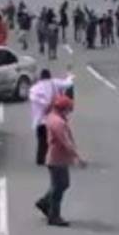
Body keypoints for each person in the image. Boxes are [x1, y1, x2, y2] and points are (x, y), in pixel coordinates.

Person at [35, 95, 84, 226]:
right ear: (63, 108)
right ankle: (54, 216)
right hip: (57, 160)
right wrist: (77, 157)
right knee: (58, 187)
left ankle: (45, 203)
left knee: (61, 184)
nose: (69, 112)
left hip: (57, 159)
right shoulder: (58, 123)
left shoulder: (53, 117)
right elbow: (65, 142)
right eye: (69, 109)